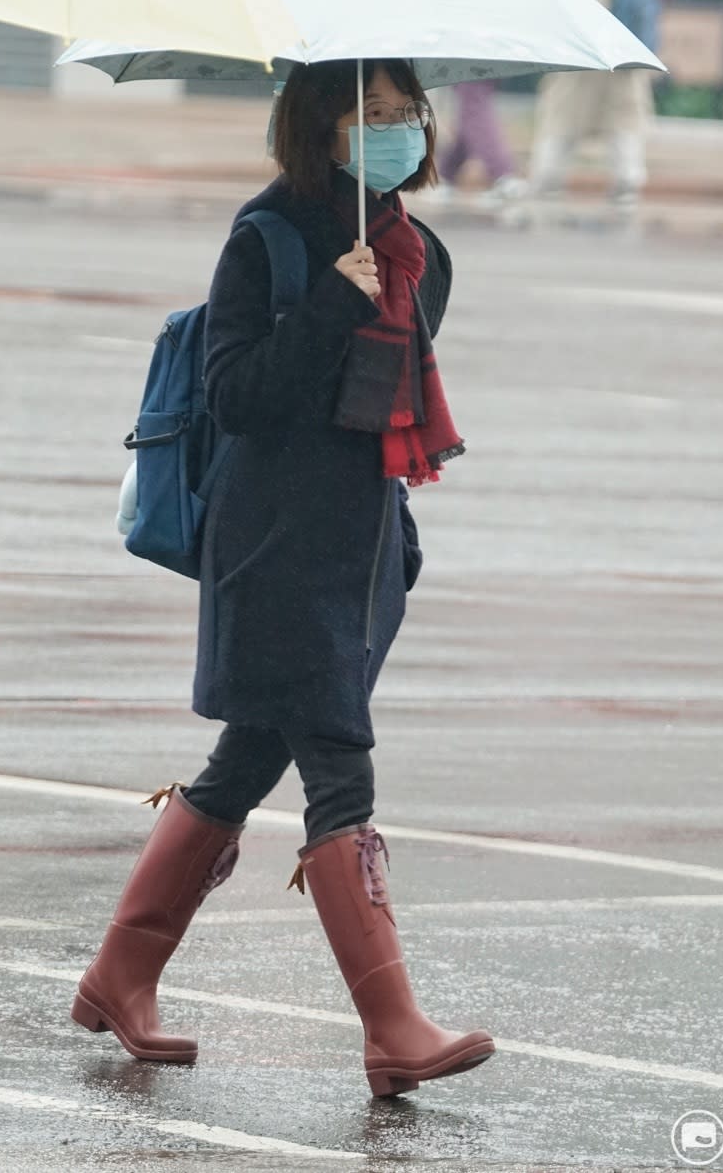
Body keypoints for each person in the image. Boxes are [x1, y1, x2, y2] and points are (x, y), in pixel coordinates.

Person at [70, 57, 496, 1099]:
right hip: (272, 541)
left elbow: (385, 405)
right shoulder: (264, 237)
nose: (397, 131)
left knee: (248, 754)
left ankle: (120, 974)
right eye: (373, 115)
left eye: (408, 114)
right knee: (337, 761)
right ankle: (390, 1026)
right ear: (319, 127)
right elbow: (241, 397)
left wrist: (371, 292)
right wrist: (327, 307)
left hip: (356, 544)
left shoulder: (416, 250)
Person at [527, 0, 661, 211]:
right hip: (623, 48)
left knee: (562, 113)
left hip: (591, 47)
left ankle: (546, 178)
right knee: (623, 118)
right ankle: (628, 181)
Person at [436, 0, 530, 201]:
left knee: (474, 105)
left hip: (499, 41)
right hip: (464, 40)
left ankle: (501, 174)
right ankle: (451, 176)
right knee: (472, 104)